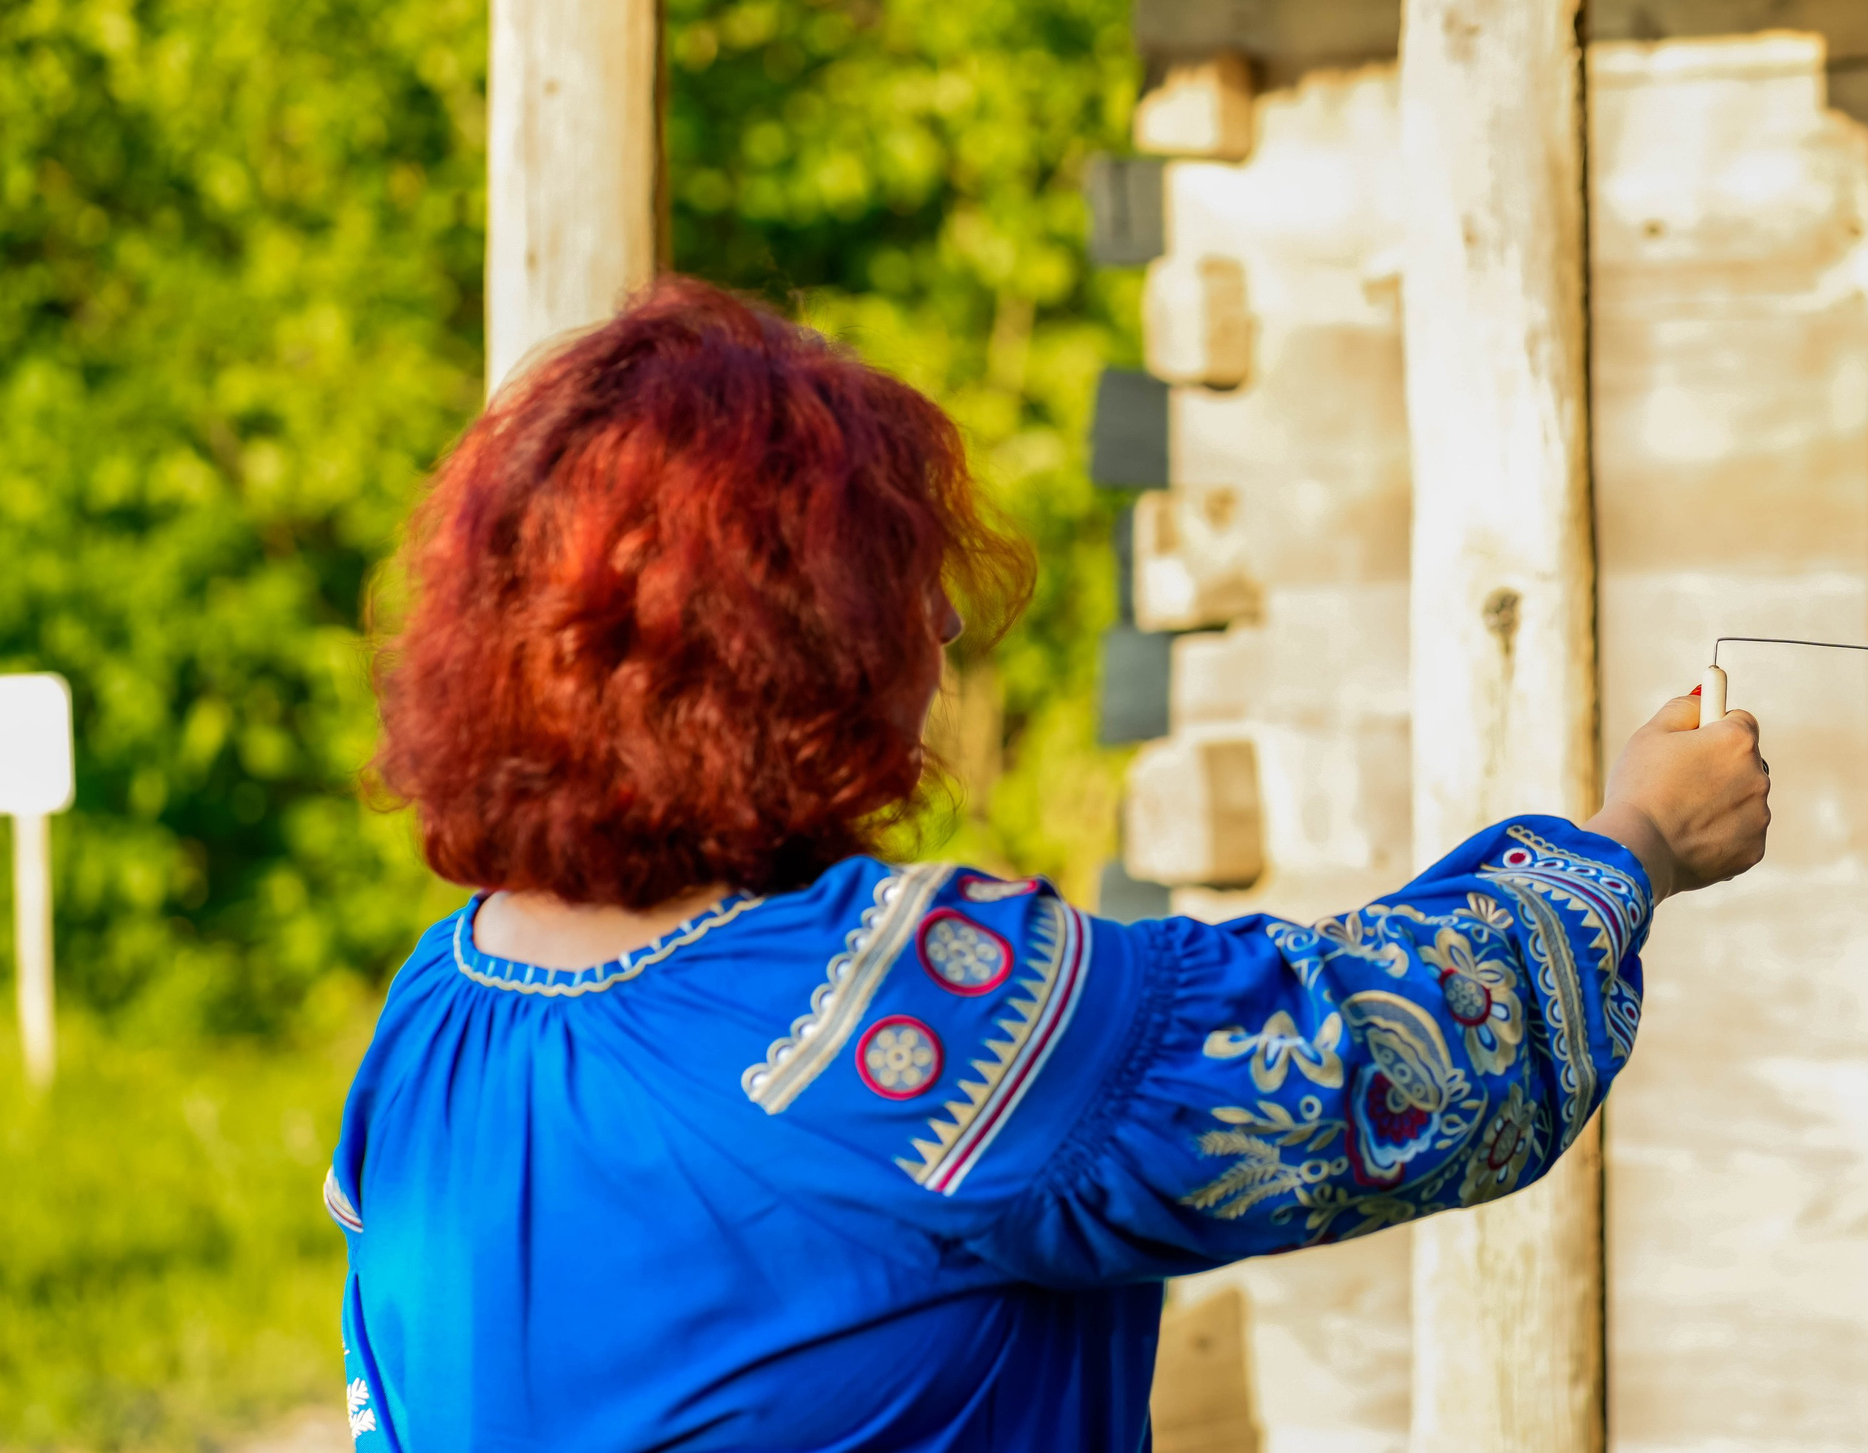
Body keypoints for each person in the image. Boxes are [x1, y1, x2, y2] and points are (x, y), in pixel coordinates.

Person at [331, 278, 1771, 1452]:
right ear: (777, 648)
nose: (945, 630)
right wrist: (1634, 844)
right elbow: (1379, 1060)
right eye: (896, 583)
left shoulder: (438, 1015)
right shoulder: (903, 1020)